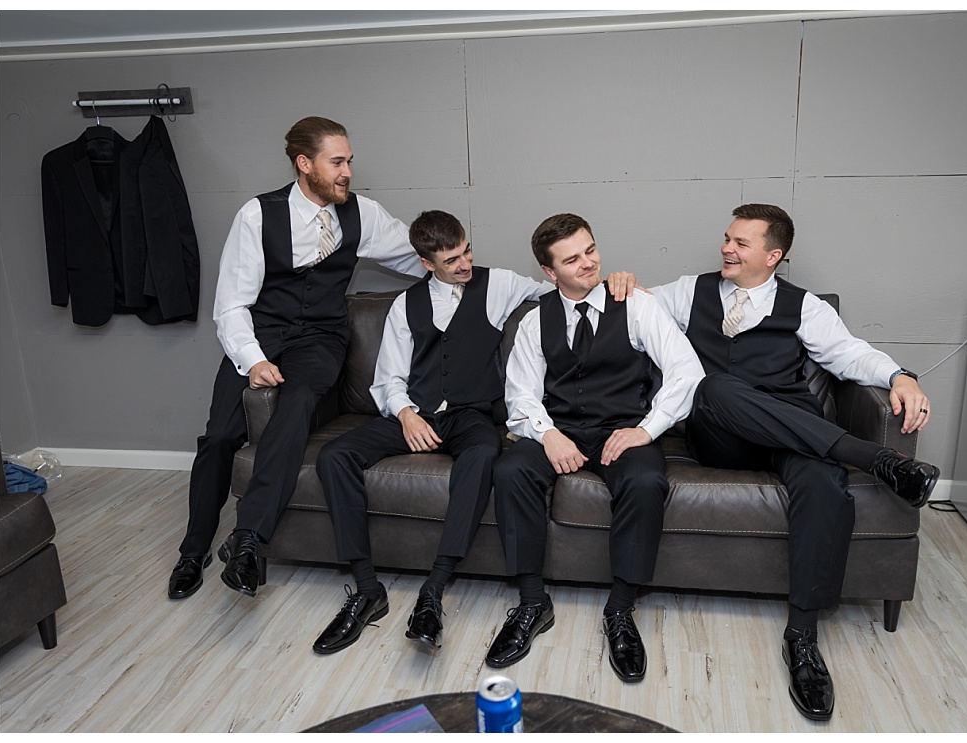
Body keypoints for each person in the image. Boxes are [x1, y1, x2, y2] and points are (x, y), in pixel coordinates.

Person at [606, 203, 940, 722]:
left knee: (826, 484)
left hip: (792, 434)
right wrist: (621, 281)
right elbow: (636, 305)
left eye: (741, 243)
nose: (726, 249)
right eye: (727, 238)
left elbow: (849, 353)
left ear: (773, 255)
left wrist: (900, 376)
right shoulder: (689, 291)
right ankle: (873, 459)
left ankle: (802, 639)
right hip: (721, 434)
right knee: (712, 387)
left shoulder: (804, 306)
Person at [168, 116, 429, 601]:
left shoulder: (363, 214)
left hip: (321, 339)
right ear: (304, 164)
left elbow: (421, 258)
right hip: (260, 333)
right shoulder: (257, 215)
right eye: (337, 162)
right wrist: (253, 360)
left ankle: (249, 539)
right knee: (220, 435)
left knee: (298, 404)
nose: (347, 172)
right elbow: (231, 304)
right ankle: (193, 549)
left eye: (349, 161)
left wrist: (470, 275)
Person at [306, 210, 552, 654]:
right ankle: (367, 589)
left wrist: (618, 286)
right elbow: (388, 379)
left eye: (467, 251)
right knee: (333, 456)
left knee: (483, 454)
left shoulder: (499, 284)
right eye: (451, 260)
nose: (465, 264)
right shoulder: (406, 304)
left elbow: (560, 289)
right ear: (426, 263)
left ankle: (433, 590)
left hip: (470, 415)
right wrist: (406, 414)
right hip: (415, 413)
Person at [488, 214, 702, 680]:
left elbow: (686, 371)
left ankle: (620, 609)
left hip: (622, 427)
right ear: (549, 272)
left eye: (590, 250)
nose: (588, 263)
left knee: (645, 480)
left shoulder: (636, 305)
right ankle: (532, 603)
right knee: (510, 471)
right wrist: (547, 434)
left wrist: (647, 429)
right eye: (572, 260)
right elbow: (520, 395)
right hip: (559, 425)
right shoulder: (534, 321)